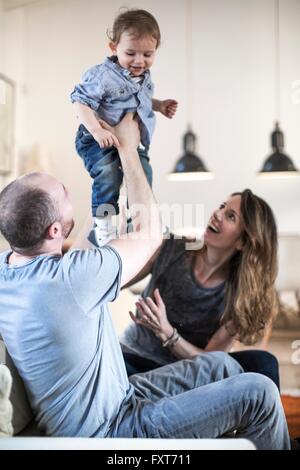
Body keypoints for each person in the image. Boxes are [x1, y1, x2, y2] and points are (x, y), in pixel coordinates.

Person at [0, 115, 290, 449]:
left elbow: (95, 237)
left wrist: (108, 182)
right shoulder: (75, 277)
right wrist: (128, 149)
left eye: (230, 214)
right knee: (261, 392)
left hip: (120, 394)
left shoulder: (13, 268)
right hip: (113, 427)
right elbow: (149, 235)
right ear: (54, 231)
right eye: (63, 191)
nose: (216, 214)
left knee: (224, 364)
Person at [121, 190, 281, 389]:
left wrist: (168, 333)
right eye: (222, 206)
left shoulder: (240, 295)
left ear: (242, 241)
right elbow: (117, 281)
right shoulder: (170, 247)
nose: (217, 214)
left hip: (181, 378)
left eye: (231, 216)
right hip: (130, 358)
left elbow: (211, 361)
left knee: (264, 363)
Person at [70, 8, 177, 244]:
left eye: (147, 54)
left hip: (132, 144)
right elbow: (80, 102)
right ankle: (104, 226)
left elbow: (141, 102)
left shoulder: (145, 78)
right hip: (98, 141)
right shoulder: (103, 76)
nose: (139, 61)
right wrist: (97, 130)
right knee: (108, 177)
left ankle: (138, 222)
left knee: (144, 176)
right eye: (131, 53)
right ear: (113, 47)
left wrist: (159, 105)